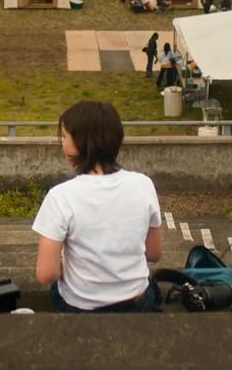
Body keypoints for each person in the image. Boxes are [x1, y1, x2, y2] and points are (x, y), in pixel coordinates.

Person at [33, 101, 163, 314]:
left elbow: (46, 275)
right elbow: (154, 253)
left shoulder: (61, 196)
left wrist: (69, 262)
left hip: (80, 307)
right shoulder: (143, 184)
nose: (62, 143)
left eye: (65, 136)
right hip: (137, 301)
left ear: (82, 142)